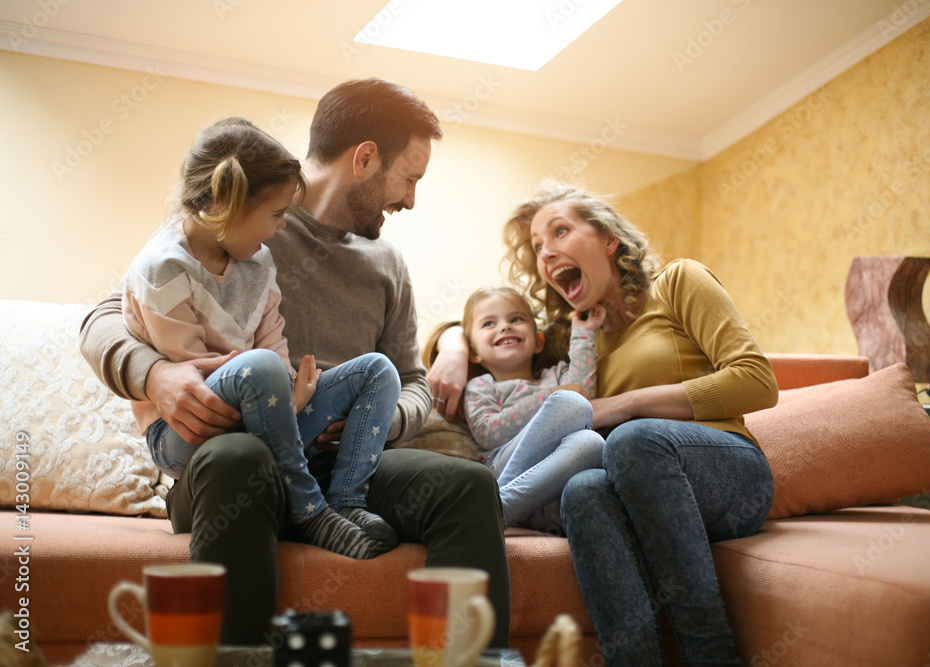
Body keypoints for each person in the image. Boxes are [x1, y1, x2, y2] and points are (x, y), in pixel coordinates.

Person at [79, 78, 511, 647]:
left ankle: (472, 661)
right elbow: (102, 320)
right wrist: (156, 376)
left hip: (341, 464)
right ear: (365, 158)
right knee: (241, 457)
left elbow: (408, 379)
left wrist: (375, 420)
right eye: (410, 178)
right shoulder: (241, 215)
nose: (409, 200)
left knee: (469, 485)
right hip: (234, 461)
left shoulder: (387, 264)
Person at [428, 184, 779, 666]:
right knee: (584, 490)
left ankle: (713, 657)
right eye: (537, 247)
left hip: (729, 476)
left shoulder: (677, 283)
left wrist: (627, 405)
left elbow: (758, 382)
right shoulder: (577, 334)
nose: (547, 252)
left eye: (561, 231)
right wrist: (450, 344)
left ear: (609, 239)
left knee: (632, 439)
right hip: (636, 487)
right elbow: (493, 328)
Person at [123, 117, 399, 559]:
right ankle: (310, 511)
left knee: (376, 370)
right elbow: (197, 382)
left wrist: (288, 392)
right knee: (261, 366)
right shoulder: (163, 271)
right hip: (186, 433)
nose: (283, 226)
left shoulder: (259, 260)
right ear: (226, 206)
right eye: (275, 214)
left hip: (267, 409)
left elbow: (273, 338)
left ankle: (347, 501)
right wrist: (275, 387)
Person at [460, 286, 606, 531]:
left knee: (594, 443)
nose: (505, 327)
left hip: (546, 497)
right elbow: (488, 432)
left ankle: (498, 509)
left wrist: (583, 334)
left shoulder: (557, 373)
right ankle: (496, 503)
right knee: (569, 401)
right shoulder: (482, 385)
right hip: (502, 469)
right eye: (488, 324)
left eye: (516, 319)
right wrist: (550, 395)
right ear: (474, 352)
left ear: (539, 342)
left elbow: (585, 394)